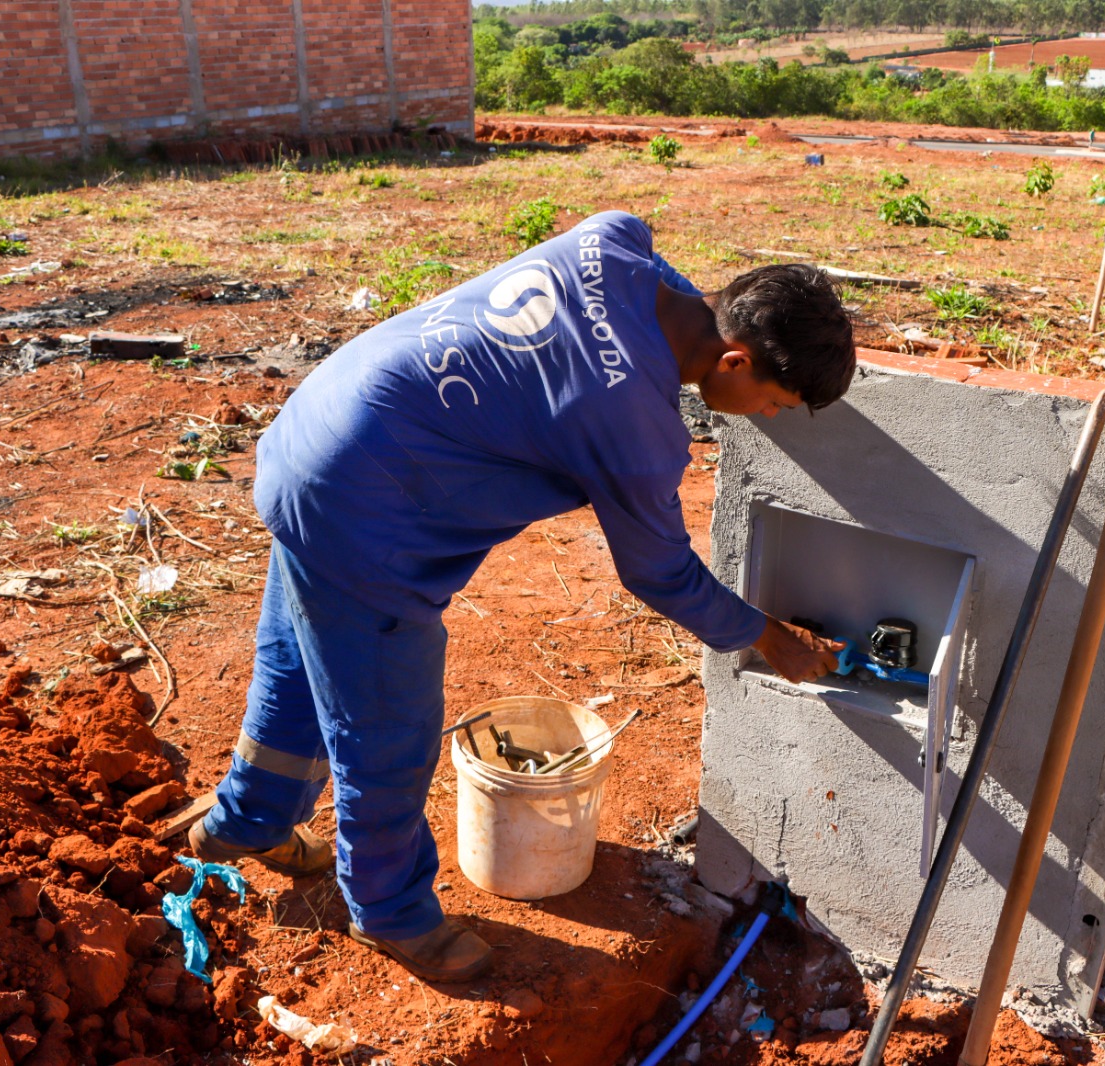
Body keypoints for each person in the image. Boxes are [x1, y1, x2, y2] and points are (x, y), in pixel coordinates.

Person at [190, 210, 852, 982]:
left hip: (322, 429)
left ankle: (247, 819)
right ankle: (390, 912)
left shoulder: (616, 243)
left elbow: (643, 273)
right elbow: (659, 571)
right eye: (775, 402)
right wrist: (765, 634)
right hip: (368, 512)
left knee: (298, 664)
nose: (769, 418)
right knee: (387, 727)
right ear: (734, 361)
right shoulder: (638, 427)